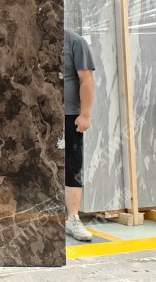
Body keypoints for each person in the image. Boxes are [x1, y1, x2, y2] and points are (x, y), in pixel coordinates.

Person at [63, 29, 95, 242]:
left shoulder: (75, 41)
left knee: (73, 164)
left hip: (68, 114)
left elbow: (86, 78)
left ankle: (73, 218)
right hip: (37, 114)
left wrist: (84, 114)